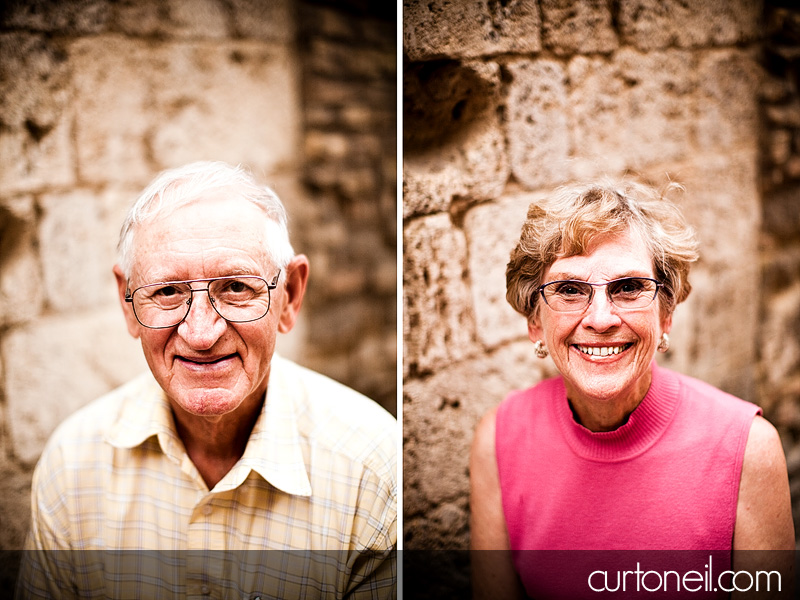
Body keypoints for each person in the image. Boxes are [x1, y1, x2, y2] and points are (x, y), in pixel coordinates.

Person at [16, 161, 397, 599]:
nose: (201, 334)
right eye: (167, 292)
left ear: (289, 295)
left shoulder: (373, 469)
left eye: (236, 287)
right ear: (127, 305)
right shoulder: (72, 466)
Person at [469, 180, 794, 599]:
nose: (600, 318)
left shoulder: (749, 449)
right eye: (569, 290)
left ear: (666, 314)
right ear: (535, 321)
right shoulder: (498, 439)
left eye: (628, 288)